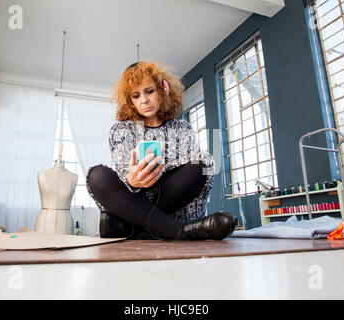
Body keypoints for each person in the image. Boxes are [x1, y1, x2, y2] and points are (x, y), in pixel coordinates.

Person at [86, 61, 235, 240]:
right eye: (136, 95)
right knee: (97, 175)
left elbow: (192, 177)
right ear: (129, 101)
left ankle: (131, 227)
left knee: (202, 163)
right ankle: (179, 230)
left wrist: (161, 169)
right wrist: (132, 180)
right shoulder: (121, 130)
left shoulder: (182, 127)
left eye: (149, 91)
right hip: (135, 197)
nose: (144, 100)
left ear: (163, 89)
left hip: (167, 196)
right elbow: (123, 172)